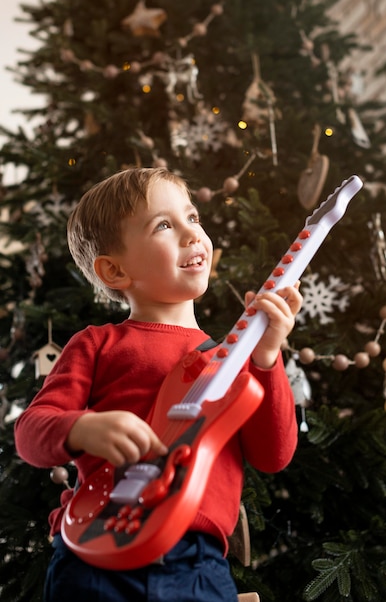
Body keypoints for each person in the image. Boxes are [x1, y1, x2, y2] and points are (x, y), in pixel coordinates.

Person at [14, 166, 303, 602]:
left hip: (198, 562)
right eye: (165, 225)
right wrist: (80, 428)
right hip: (97, 551)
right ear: (114, 271)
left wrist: (265, 358)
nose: (192, 234)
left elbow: (274, 455)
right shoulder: (97, 344)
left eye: (194, 218)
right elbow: (30, 433)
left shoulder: (229, 363)